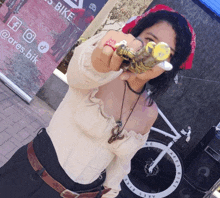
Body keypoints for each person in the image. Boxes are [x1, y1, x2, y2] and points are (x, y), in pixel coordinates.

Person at [0, 4, 196, 198]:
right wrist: (101, 58)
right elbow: (80, 71)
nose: (151, 55)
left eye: (164, 54)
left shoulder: (150, 111)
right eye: (150, 41)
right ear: (134, 36)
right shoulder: (102, 73)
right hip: (25, 181)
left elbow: (118, 168)